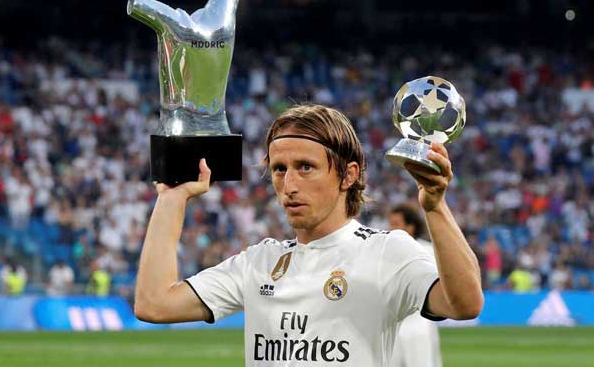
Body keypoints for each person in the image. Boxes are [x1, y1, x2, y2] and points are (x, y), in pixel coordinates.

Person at [135, 104, 483, 366]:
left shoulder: (386, 252)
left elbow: (465, 304)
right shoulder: (259, 262)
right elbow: (154, 304)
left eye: (305, 167)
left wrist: (435, 207)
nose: (289, 185)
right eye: (279, 169)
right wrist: (172, 199)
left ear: (348, 175)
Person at [389, 204, 442, 367]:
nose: (391, 229)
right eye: (390, 224)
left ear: (410, 227)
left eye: (396, 224)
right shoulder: (385, 251)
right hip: (391, 325)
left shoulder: (427, 251)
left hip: (419, 324)